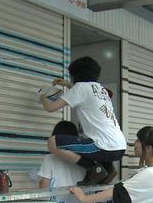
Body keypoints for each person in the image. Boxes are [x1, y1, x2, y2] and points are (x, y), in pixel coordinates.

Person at [37, 56, 126, 185]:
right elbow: (84, 92)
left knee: (53, 142)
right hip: (119, 146)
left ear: (75, 76)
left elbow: (50, 108)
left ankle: (94, 169)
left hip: (102, 146)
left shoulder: (80, 88)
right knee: (79, 144)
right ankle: (100, 168)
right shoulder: (101, 89)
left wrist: (42, 95)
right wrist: (67, 84)